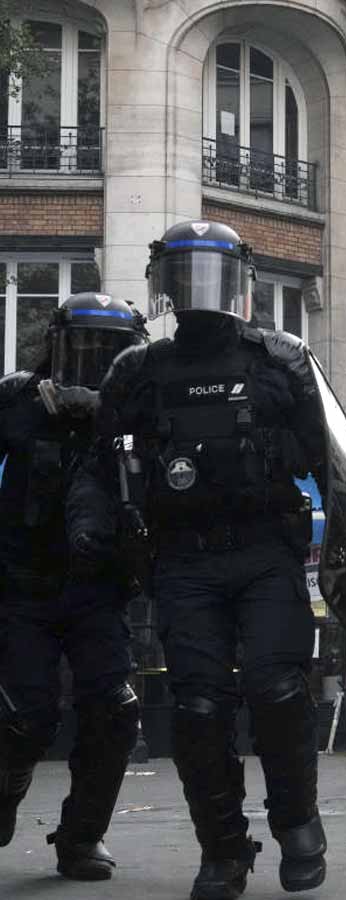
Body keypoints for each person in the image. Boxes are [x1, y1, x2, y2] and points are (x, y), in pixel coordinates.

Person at [85, 220, 346, 900]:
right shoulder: (137, 371)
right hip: (182, 559)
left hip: (266, 551)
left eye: (211, 272)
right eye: (185, 273)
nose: (198, 290)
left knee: (277, 687)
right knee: (199, 706)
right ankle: (222, 850)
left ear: (239, 281)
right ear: (163, 284)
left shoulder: (282, 361)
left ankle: (298, 822)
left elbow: (338, 464)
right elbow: (99, 463)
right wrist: (97, 523)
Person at [0, 293, 146, 880]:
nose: (90, 372)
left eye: (108, 357)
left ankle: (82, 836)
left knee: (114, 712)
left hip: (97, 592)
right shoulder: (15, 401)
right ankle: (6, 785)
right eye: (81, 352)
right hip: (23, 590)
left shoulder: (137, 419)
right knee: (27, 712)